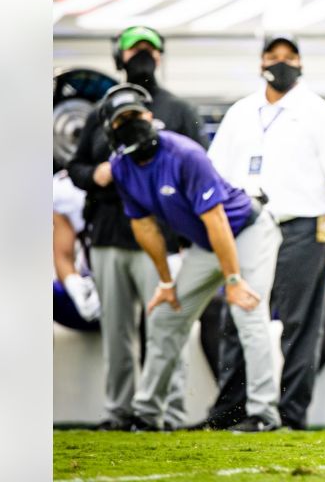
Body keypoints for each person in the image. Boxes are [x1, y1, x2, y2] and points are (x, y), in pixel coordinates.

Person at [99, 84, 283, 432]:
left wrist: (232, 280)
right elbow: (145, 229)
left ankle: (264, 413)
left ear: (150, 116)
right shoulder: (121, 167)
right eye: (123, 119)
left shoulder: (185, 154)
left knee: (247, 309)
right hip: (207, 242)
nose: (132, 123)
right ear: (111, 128)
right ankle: (146, 413)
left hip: (246, 230)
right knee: (168, 316)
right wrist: (166, 282)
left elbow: (217, 220)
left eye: (136, 115)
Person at [201, 33, 325, 431]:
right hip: (249, 225)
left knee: (300, 324)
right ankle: (231, 412)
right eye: (273, 56)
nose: (281, 63)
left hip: (303, 226)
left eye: (289, 57)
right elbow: (216, 172)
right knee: (240, 314)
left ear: (301, 64)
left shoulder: (320, 112)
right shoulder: (241, 112)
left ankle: (289, 415)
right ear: (261, 63)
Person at [65, 25, 204, 431]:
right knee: (117, 331)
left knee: (167, 328)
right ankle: (119, 410)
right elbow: (74, 168)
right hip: (108, 234)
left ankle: (170, 412)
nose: (142, 55)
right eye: (134, 49)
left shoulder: (179, 111)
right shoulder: (99, 111)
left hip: (160, 238)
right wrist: (98, 175)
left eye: (149, 49)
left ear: (160, 56)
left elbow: (199, 166)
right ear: (119, 56)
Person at [53, 170, 100, 332]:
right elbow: (62, 255)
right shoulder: (65, 191)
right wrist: (74, 285)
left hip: (130, 295)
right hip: (88, 292)